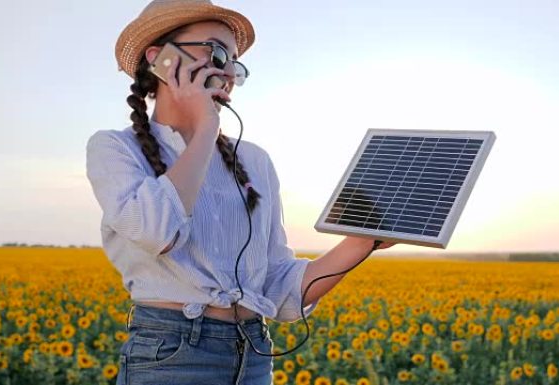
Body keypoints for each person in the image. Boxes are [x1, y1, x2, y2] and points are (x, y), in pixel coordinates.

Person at [85, 1, 396, 384]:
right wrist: (204, 130)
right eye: (216, 53)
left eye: (235, 63)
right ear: (161, 59)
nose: (229, 72)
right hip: (170, 354)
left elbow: (280, 291)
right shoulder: (114, 148)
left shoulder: (255, 160)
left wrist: (362, 240)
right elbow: (157, 230)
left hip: (254, 356)